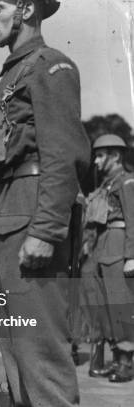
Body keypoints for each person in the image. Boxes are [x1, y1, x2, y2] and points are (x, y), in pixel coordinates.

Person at [0, 1, 90, 407]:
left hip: (32, 210)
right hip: (8, 210)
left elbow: (63, 153)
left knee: (40, 339)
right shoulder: (11, 75)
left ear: (25, 8)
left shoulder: (50, 65)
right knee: (15, 338)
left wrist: (46, 229)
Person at [86, 134, 134, 382]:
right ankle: (117, 359)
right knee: (104, 305)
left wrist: (131, 256)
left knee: (120, 304)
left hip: (117, 244)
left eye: (101, 155)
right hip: (102, 246)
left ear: (115, 156)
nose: (96, 160)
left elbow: (133, 219)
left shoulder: (127, 182)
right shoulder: (106, 184)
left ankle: (126, 362)